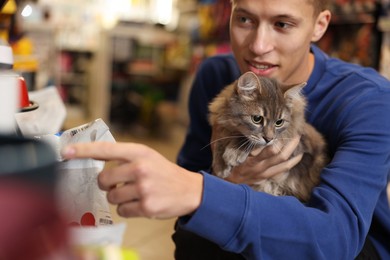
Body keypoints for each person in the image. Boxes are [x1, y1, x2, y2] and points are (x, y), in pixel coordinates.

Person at [62, 0, 390, 259]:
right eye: (245, 19)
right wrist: (227, 183)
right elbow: (189, 212)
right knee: (196, 243)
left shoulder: (368, 99)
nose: (258, 46)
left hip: (350, 245)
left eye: (282, 24)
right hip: (255, 221)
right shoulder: (214, 74)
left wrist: (200, 191)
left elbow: (335, 240)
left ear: (319, 26)